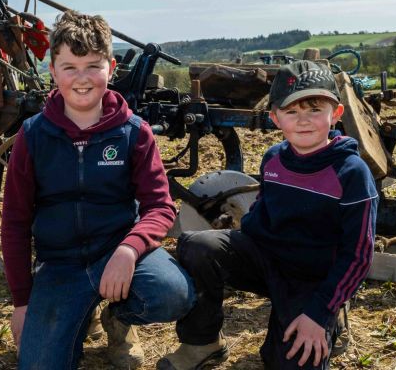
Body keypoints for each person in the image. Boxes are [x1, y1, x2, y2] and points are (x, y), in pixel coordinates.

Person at [0, 9, 195, 369]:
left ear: (111, 66)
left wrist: (128, 250)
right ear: (53, 70)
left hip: (116, 252)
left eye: (93, 66)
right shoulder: (33, 136)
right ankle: (76, 316)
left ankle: (118, 319)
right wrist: (22, 303)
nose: (82, 78)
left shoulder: (134, 132)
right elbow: (13, 222)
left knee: (173, 294)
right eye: (69, 67)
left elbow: (160, 207)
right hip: (60, 266)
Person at [157, 60, 379, 370]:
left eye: (315, 109)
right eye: (292, 112)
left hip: (312, 279)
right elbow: (262, 211)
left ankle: (329, 318)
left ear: (336, 113)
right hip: (268, 261)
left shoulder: (351, 173)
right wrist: (239, 238)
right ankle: (203, 342)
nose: (303, 121)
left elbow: (358, 256)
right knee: (197, 245)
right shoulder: (273, 159)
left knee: (293, 361)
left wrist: (319, 312)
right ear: (275, 118)